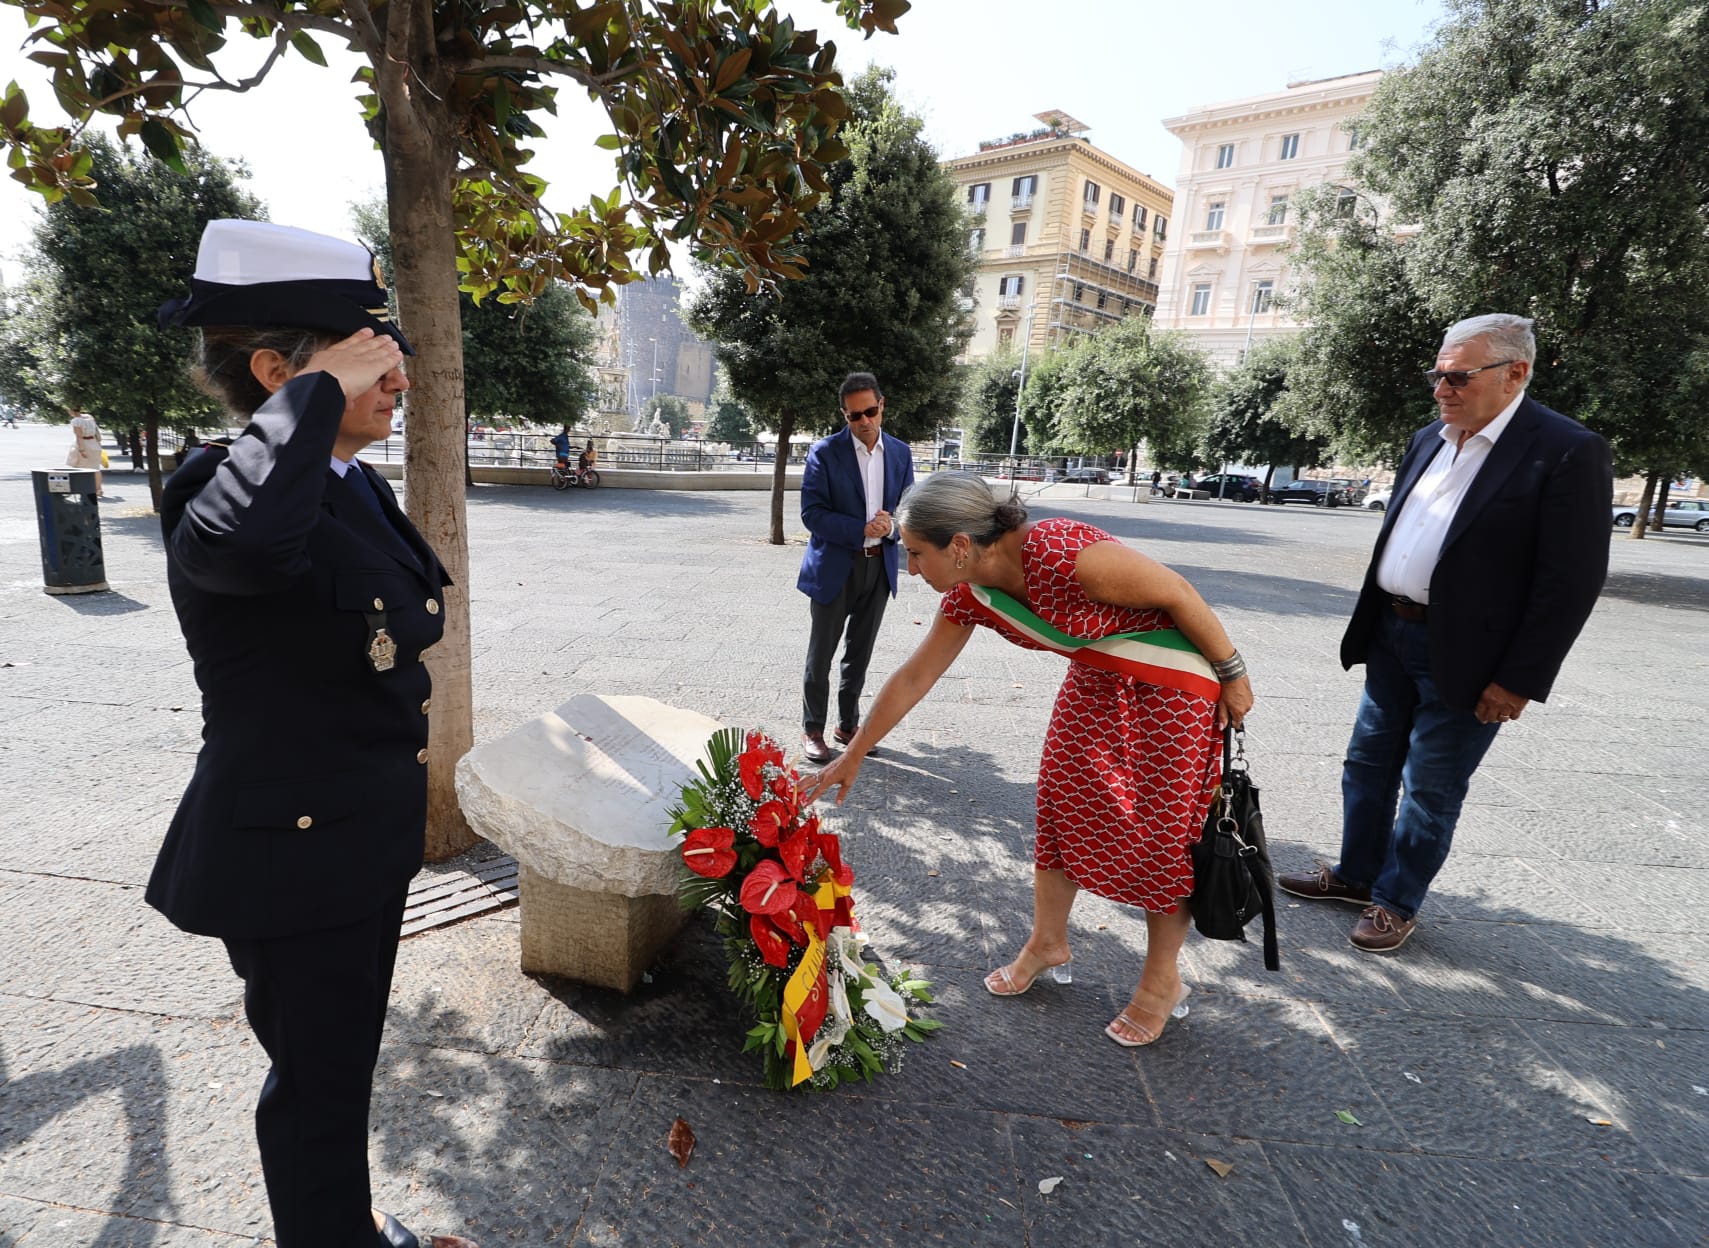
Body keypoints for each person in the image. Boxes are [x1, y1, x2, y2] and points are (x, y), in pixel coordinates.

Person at [153, 219, 477, 1248]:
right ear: (275, 374)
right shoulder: (222, 490)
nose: (398, 378)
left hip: (349, 845)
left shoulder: (346, 482)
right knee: (318, 1092)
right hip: (294, 859)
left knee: (336, 1075)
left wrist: (325, 399)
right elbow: (247, 548)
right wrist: (311, 401)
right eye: (365, 357)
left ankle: (339, 1224)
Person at [802, 472, 1253, 1047]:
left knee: (1161, 834)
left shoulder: (1067, 554)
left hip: (1172, 689)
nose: (911, 569)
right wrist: (854, 754)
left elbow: (1178, 594)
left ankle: (1162, 980)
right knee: (1061, 807)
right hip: (1097, 678)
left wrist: (1235, 678)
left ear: (959, 547)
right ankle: (1047, 942)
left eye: (916, 554)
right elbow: (916, 674)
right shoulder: (971, 594)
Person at [1279, 314, 1611, 953]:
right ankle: (1356, 875)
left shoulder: (1564, 450)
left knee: (1431, 784)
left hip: (1471, 657)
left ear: (1515, 374)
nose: (1441, 388)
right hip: (1392, 633)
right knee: (1367, 765)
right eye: (1438, 374)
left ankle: (1395, 901)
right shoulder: (1429, 438)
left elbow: (1569, 583)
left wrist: (1517, 679)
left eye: (1457, 376)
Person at [796, 371, 915, 765]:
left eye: (869, 412)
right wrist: (860, 528)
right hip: (835, 567)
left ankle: (848, 726)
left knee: (859, 653)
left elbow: (908, 508)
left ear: (882, 406)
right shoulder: (824, 453)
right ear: (844, 415)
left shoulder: (900, 453)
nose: (863, 421)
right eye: (853, 416)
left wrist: (892, 526)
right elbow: (812, 514)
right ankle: (813, 728)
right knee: (821, 655)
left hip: (878, 567)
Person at [67, 408, 104, 495]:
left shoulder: (76, 421)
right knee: (96, 468)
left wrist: (82, 450)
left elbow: (79, 436)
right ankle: (99, 489)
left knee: (81, 467)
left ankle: (83, 488)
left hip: (85, 444)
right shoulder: (89, 417)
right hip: (94, 443)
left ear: (72, 411)